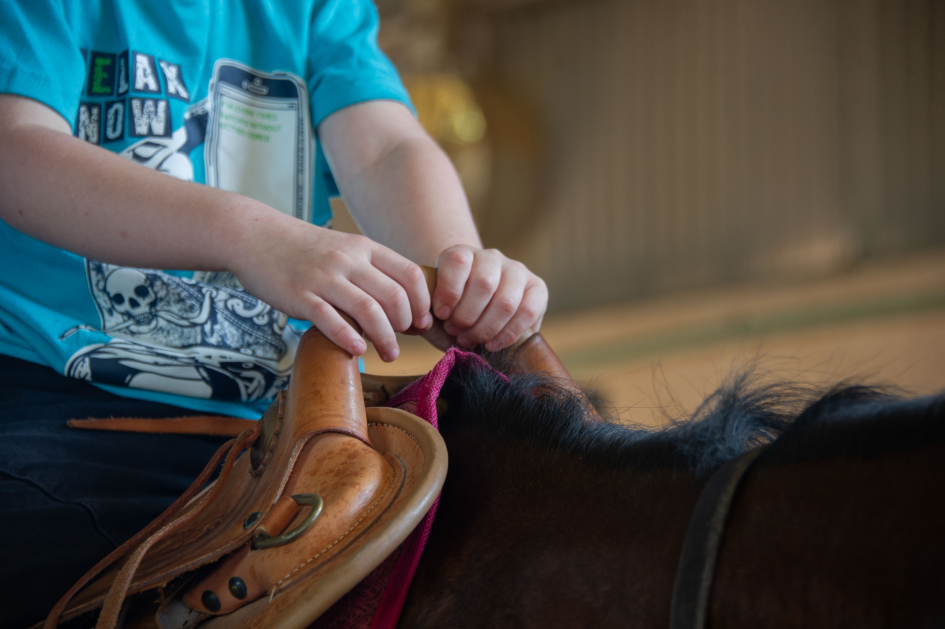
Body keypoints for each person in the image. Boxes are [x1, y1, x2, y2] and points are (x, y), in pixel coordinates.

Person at [0, 1, 547, 625]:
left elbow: (386, 148)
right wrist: (250, 237)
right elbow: (16, 148)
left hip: (274, 430)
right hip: (69, 406)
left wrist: (459, 267)